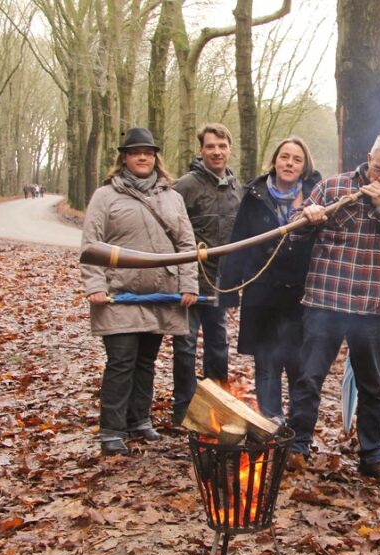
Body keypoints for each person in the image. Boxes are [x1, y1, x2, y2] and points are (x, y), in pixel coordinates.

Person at [286, 133, 380, 479]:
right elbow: (292, 231)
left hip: (371, 307)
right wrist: (309, 215)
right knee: (309, 378)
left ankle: (372, 455)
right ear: (369, 157)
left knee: (371, 386)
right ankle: (296, 445)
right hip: (325, 301)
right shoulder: (334, 188)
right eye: (378, 169)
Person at [80, 127, 199, 456]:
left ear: (155, 157)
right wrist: (95, 285)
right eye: (135, 153)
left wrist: (188, 284)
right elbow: (91, 245)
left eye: (148, 152)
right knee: (121, 361)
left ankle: (139, 421)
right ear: (125, 158)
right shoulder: (105, 196)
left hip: (161, 295)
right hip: (119, 295)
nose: (143, 157)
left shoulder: (171, 197)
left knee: (146, 362)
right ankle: (112, 429)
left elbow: (187, 245)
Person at [218, 138, 321, 423]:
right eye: (284, 157)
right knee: (266, 363)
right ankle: (270, 422)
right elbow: (239, 240)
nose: (289, 163)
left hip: (301, 296)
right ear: (274, 161)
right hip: (261, 292)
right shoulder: (255, 194)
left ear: (304, 166)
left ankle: (299, 431)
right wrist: (229, 291)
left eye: (296, 159)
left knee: (300, 366)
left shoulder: (317, 197)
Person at [170, 123, 241, 425]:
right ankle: (184, 409)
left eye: (222, 146)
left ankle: (217, 406)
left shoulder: (239, 188)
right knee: (185, 346)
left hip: (222, 282)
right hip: (189, 281)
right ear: (201, 150)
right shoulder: (184, 186)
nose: (216, 151)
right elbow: (168, 231)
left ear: (229, 149)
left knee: (218, 346)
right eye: (210, 146)